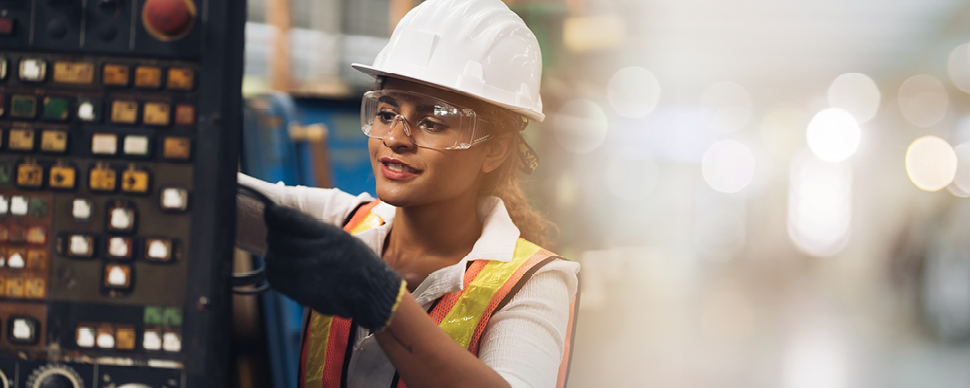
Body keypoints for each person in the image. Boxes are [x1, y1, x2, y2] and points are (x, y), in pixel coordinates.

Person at [238, 0, 580, 387]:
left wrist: (385, 303)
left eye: (431, 123)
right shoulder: (344, 226)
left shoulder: (533, 282)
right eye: (386, 114)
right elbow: (222, 201)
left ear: (495, 149)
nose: (395, 139)